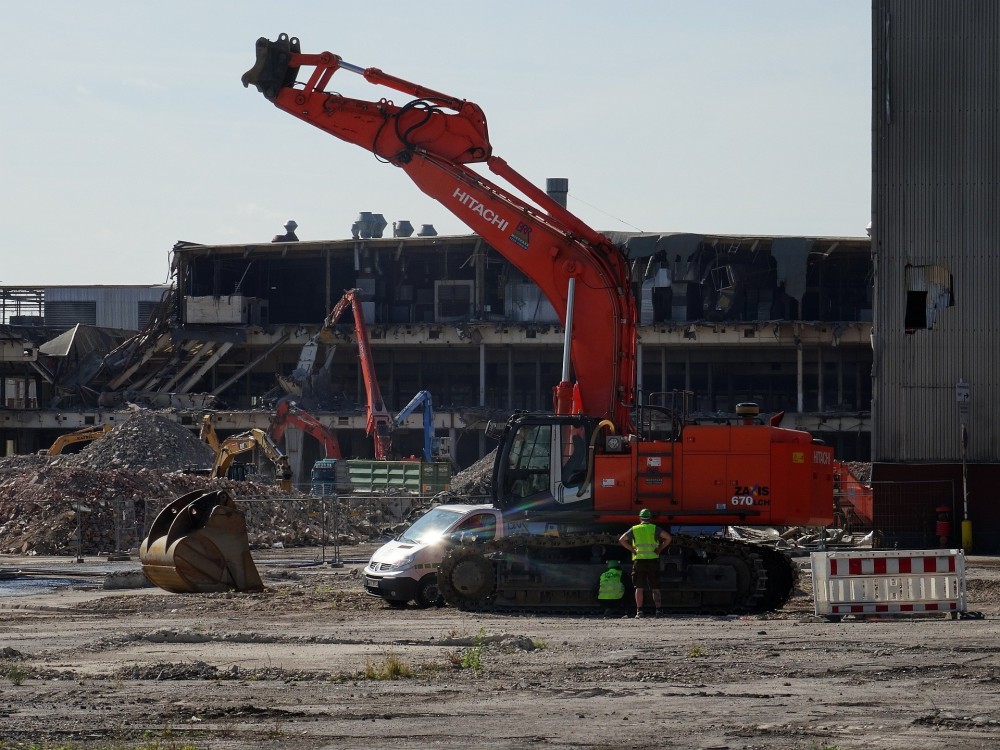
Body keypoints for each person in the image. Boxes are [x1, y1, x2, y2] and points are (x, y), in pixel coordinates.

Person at [619, 508, 671, 618]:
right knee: (655, 587)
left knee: (639, 587)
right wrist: (660, 548)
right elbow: (668, 538)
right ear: (650, 518)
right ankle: (658, 611)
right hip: (652, 561)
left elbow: (622, 539)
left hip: (639, 561)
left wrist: (632, 549)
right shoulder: (654, 528)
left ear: (640, 518)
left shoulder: (635, 529)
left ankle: (640, 611)